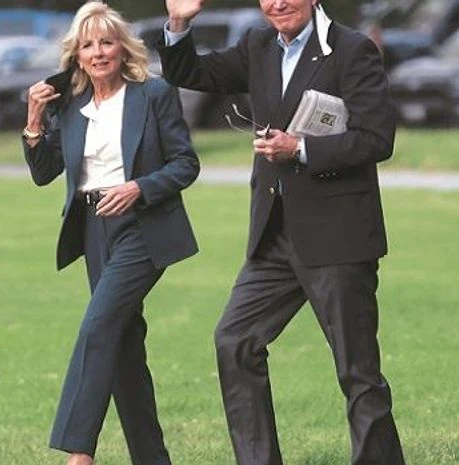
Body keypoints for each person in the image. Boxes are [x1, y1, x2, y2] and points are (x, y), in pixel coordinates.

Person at [157, 1, 406, 464]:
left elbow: (377, 138)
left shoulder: (352, 50)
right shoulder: (257, 46)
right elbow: (190, 71)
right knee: (235, 341)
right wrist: (178, 23)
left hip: (337, 236)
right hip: (273, 237)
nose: (277, 2)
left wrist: (301, 149)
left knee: (357, 373)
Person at [21, 3, 199, 465]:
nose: (98, 52)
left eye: (106, 42)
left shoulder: (154, 94)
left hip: (143, 229)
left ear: (122, 47)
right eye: (88, 45)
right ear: (76, 55)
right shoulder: (72, 105)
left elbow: (186, 164)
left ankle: (78, 453)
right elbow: (45, 173)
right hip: (92, 231)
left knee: (98, 327)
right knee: (121, 346)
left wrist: (139, 188)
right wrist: (35, 122)